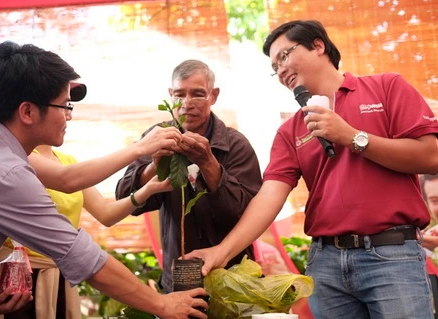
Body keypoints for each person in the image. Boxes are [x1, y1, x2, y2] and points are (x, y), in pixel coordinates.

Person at [185, 20, 438, 319]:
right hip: (325, 263)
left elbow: (431, 155)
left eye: (284, 56)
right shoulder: (290, 131)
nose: (280, 70)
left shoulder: (386, 87)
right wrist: (221, 252)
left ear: (318, 46)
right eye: (274, 66)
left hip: (392, 255)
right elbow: (268, 198)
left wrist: (351, 137)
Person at [0, 40, 208, 319]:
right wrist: (162, 304)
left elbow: (67, 179)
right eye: (64, 105)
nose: (68, 115)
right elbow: (82, 256)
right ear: (28, 112)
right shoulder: (5, 173)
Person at [0, 143, 174, 318]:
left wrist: (146, 190)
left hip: (58, 278)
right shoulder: (18, 156)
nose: (67, 115)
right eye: (62, 105)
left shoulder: (67, 162)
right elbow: (66, 178)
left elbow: (106, 213)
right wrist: (140, 147)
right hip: (16, 278)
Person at [115, 59, 262, 292]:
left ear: (214, 96)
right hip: (179, 279)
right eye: (179, 94)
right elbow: (125, 201)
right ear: (170, 95)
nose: (187, 103)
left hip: (232, 277)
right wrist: (153, 167)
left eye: (198, 94)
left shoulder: (235, 145)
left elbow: (247, 214)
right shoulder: (157, 136)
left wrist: (208, 163)